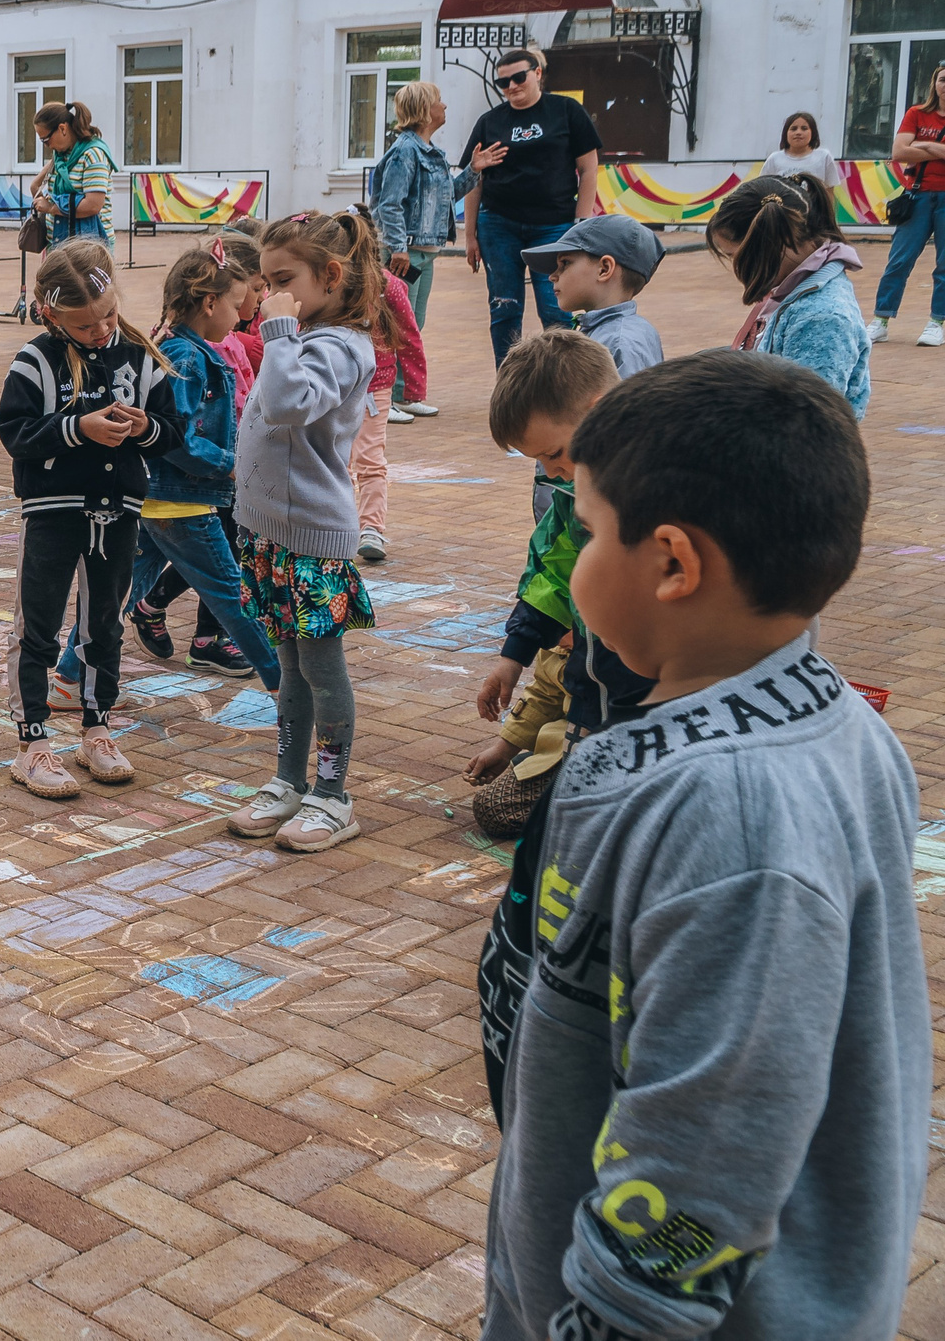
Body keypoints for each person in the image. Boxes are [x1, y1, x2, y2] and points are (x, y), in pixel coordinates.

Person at [481, 350, 922, 1341]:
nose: (573, 560)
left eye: (587, 532)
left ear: (672, 563)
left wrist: (612, 1315)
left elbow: (706, 1173)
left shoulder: (735, 825)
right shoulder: (818, 725)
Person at [464, 337, 653, 1002]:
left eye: (554, 454)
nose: (554, 473)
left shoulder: (656, 503)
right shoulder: (577, 493)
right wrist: (513, 662)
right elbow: (549, 582)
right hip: (588, 719)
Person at [0, 239, 181, 799]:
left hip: (119, 513)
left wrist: (145, 427)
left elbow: (172, 434)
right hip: (53, 513)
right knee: (40, 628)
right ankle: (31, 743)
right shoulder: (35, 360)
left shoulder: (140, 358)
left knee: (105, 624)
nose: (100, 331)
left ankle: (96, 730)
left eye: (106, 317)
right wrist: (80, 428)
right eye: (84, 325)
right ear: (49, 313)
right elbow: (14, 434)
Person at [225, 211, 383, 853]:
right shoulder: (303, 340)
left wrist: (280, 329)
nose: (269, 295)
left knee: (320, 667)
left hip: (311, 537)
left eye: (283, 279)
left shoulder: (342, 348)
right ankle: (290, 781)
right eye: (264, 282)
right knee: (287, 666)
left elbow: (290, 404)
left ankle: (332, 795)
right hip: (270, 534)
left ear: (331, 275)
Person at [126, 246, 280, 695]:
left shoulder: (188, 349)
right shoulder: (188, 358)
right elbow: (176, 439)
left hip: (166, 497)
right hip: (180, 499)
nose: (239, 316)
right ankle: (285, 686)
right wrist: (229, 465)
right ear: (209, 303)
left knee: (122, 592)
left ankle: (67, 677)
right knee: (233, 597)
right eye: (235, 304)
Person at [459, 49, 601, 363]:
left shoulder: (566, 111)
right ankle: (511, 387)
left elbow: (589, 169)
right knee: (504, 309)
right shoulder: (489, 122)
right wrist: (470, 235)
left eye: (518, 77)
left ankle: (564, 387)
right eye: (503, 81)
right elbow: (474, 179)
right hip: (498, 226)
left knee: (557, 310)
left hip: (555, 227)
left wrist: (581, 223)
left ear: (537, 73)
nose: (511, 86)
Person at [709, 174, 869, 417]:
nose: (735, 267)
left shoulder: (821, 318)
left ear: (772, 242)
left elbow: (806, 419)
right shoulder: (796, 288)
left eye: (734, 256)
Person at [369, 79, 457, 416]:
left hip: (425, 252)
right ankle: (383, 398)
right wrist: (398, 247)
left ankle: (405, 395)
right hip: (404, 253)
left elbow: (444, 199)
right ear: (424, 110)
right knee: (389, 325)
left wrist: (476, 170)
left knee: (412, 325)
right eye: (439, 101)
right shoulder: (406, 150)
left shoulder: (431, 153)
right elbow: (389, 204)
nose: (444, 107)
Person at [521, 212, 664, 375]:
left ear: (604, 269)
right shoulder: (612, 332)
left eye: (565, 263)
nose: (552, 276)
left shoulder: (620, 343)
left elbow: (632, 401)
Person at [350, 260, 421, 563]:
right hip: (331, 384)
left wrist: (414, 388)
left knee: (369, 458)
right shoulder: (322, 279)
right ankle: (340, 526)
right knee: (335, 460)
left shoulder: (386, 285)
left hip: (373, 386)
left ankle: (371, 529)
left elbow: (408, 334)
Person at [874, 62, 945, 344]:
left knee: (944, 266)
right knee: (899, 260)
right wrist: (937, 150)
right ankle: (881, 319)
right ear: (935, 84)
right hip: (917, 197)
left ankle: (936, 323)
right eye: (942, 79)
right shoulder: (917, 114)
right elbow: (899, 152)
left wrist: (921, 146)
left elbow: (910, 149)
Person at [29, 100, 118, 247]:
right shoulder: (60, 156)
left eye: (46, 140)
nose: (47, 146)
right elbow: (35, 186)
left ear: (62, 128)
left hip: (89, 248)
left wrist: (52, 208)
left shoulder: (93, 155)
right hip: (58, 242)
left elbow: (93, 205)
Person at [761, 109, 844, 194]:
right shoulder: (774, 159)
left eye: (804, 128)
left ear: (813, 133)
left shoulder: (824, 157)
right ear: (786, 133)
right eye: (793, 129)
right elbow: (763, 188)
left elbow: (829, 190)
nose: (798, 132)